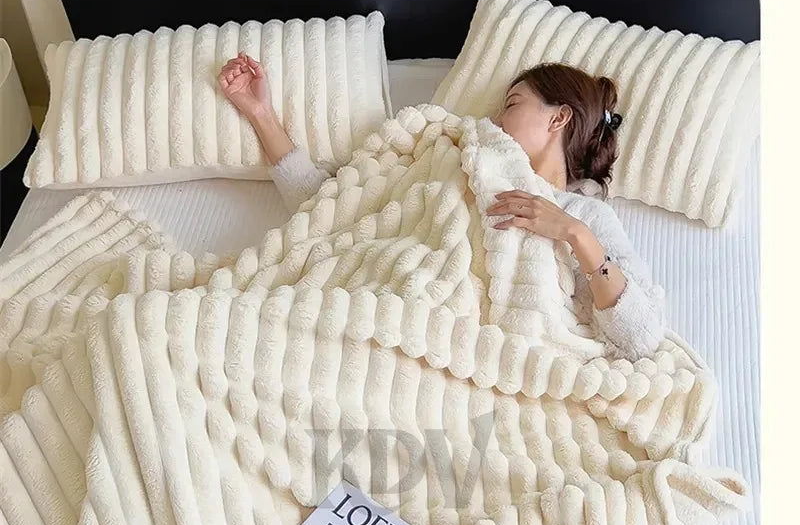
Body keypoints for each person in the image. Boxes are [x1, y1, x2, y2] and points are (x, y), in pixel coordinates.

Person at [217, 54, 665, 361]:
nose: (491, 122)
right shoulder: (453, 160)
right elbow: (334, 210)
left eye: (510, 105)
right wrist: (261, 115)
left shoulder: (585, 217)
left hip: (480, 354)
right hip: (384, 311)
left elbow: (641, 338)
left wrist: (573, 234)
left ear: (558, 117)